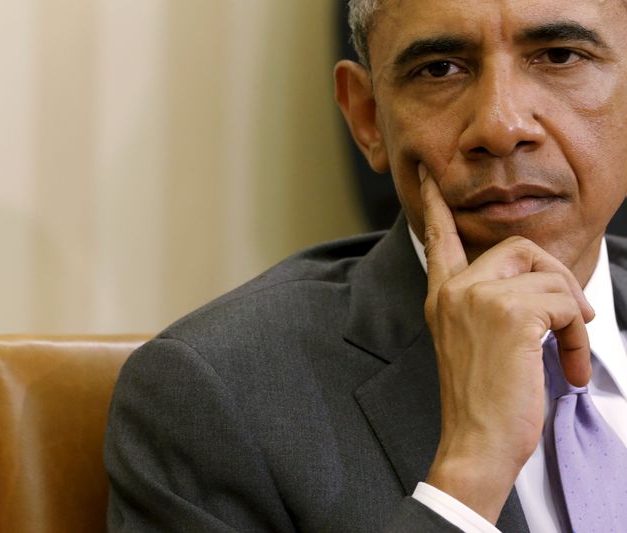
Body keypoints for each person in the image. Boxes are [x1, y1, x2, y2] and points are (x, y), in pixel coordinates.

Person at [104, 0, 627, 531]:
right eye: (439, 68)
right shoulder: (214, 395)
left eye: (561, 56)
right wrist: (471, 472)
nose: (500, 126)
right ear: (367, 118)